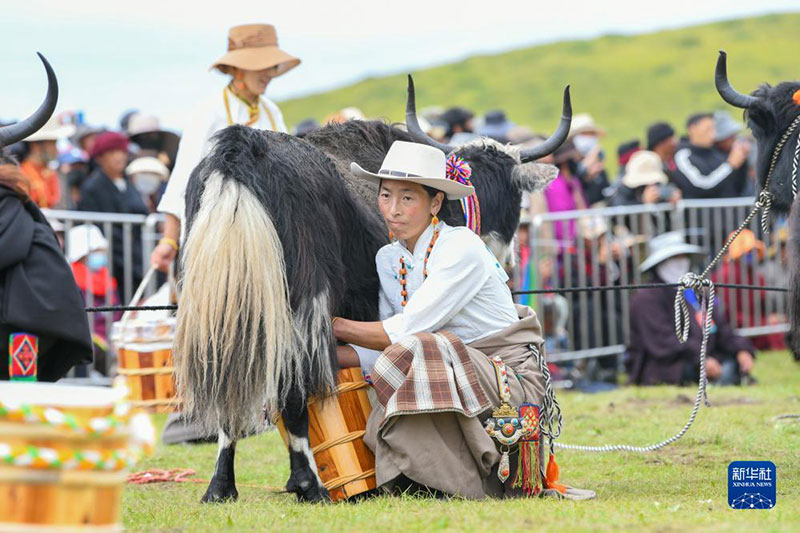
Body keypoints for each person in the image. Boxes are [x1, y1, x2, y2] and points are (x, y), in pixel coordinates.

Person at [332, 140, 594, 500]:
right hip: (451, 369)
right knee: (419, 352)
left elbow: (405, 333)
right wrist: (326, 354)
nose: (393, 210)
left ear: (435, 202)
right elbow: (390, 351)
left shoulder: (462, 247)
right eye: (386, 195)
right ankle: (430, 479)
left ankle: (467, 476)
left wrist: (327, 325)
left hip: (507, 382)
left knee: (426, 347)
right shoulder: (389, 260)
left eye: (408, 198)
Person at [151, 23, 299, 273]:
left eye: (272, 66)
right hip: (216, 235)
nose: (269, 74)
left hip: (268, 234)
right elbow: (184, 177)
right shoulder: (209, 112)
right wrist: (169, 238)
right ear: (237, 69)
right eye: (261, 66)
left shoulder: (272, 111)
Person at [0, 162, 92, 380]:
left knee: (17, 404)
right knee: (19, 403)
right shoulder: (28, 219)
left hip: (21, 335)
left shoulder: (23, 220)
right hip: (28, 333)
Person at [627, 231, 756, 386]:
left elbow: (721, 329)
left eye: (683, 257)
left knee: (732, 362)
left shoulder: (697, 293)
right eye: (674, 258)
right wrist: (700, 359)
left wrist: (741, 349)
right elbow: (663, 343)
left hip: (708, 357)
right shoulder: (646, 299)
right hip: (668, 366)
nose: (680, 262)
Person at [77, 131, 149, 299]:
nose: (119, 157)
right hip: (113, 262)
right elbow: (97, 228)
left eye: (122, 152)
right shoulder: (92, 188)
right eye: (112, 152)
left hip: (137, 256)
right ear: (100, 157)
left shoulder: (129, 184)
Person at [65, 224, 121, 375]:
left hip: (110, 341)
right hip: (86, 344)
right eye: (97, 251)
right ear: (82, 253)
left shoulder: (106, 278)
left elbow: (117, 313)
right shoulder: (70, 279)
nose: (101, 256)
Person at [670, 113, 750, 199]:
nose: (712, 134)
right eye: (707, 129)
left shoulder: (718, 154)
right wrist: (730, 165)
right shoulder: (683, 155)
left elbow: (736, 188)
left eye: (713, 129)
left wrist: (742, 162)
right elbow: (702, 186)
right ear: (692, 129)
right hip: (698, 212)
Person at [18, 117, 75, 208]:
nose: (56, 150)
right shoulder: (21, 175)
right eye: (52, 143)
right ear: (36, 145)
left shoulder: (53, 173)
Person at [568, 113, 609, 205]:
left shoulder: (599, 161)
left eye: (591, 134)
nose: (589, 138)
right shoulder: (568, 163)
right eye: (584, 134)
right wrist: (585, 170)